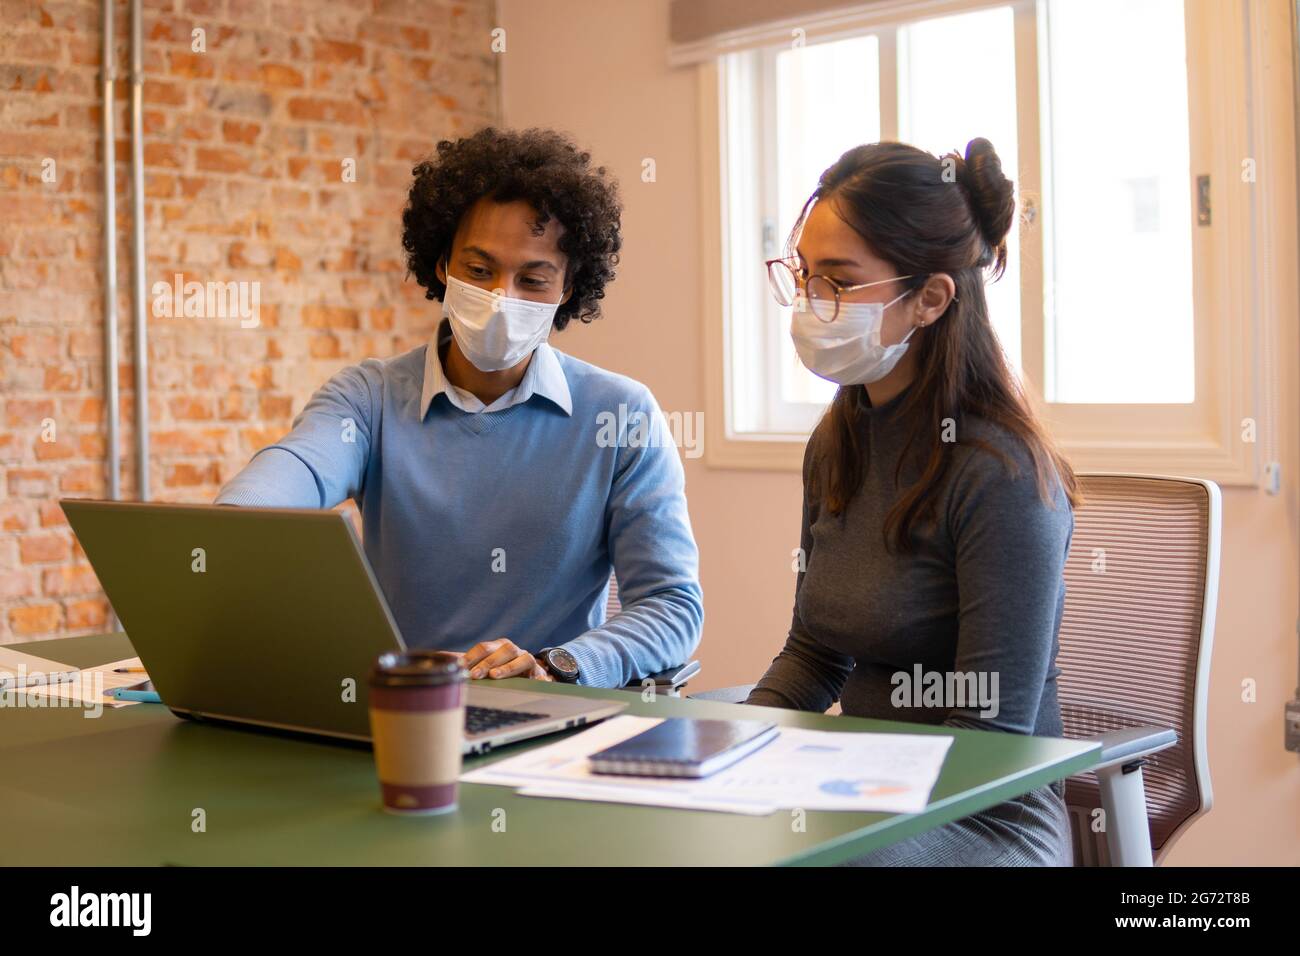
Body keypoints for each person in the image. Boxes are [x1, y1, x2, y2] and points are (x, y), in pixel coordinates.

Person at [215, 127, 702, 689]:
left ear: (568, 288)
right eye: (479, 270)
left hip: (547, 718)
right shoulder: (369, 398)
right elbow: (295, 470)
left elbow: (672, 605)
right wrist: (230, 530)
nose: (502, 297)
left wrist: (559, 663)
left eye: (533, 279)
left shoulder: (622, 415)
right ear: (442, 264)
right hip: (398, 710)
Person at [747, 138, 1080, 866]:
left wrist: (832, 801)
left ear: (930, 298)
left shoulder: (1002, 473)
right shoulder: (837, 442)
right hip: (860, 793)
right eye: (805, 276)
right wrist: (727, 755)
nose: (810, 303)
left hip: (986, 812)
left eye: (838, 281)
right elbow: (814, 653)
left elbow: (986, 739)